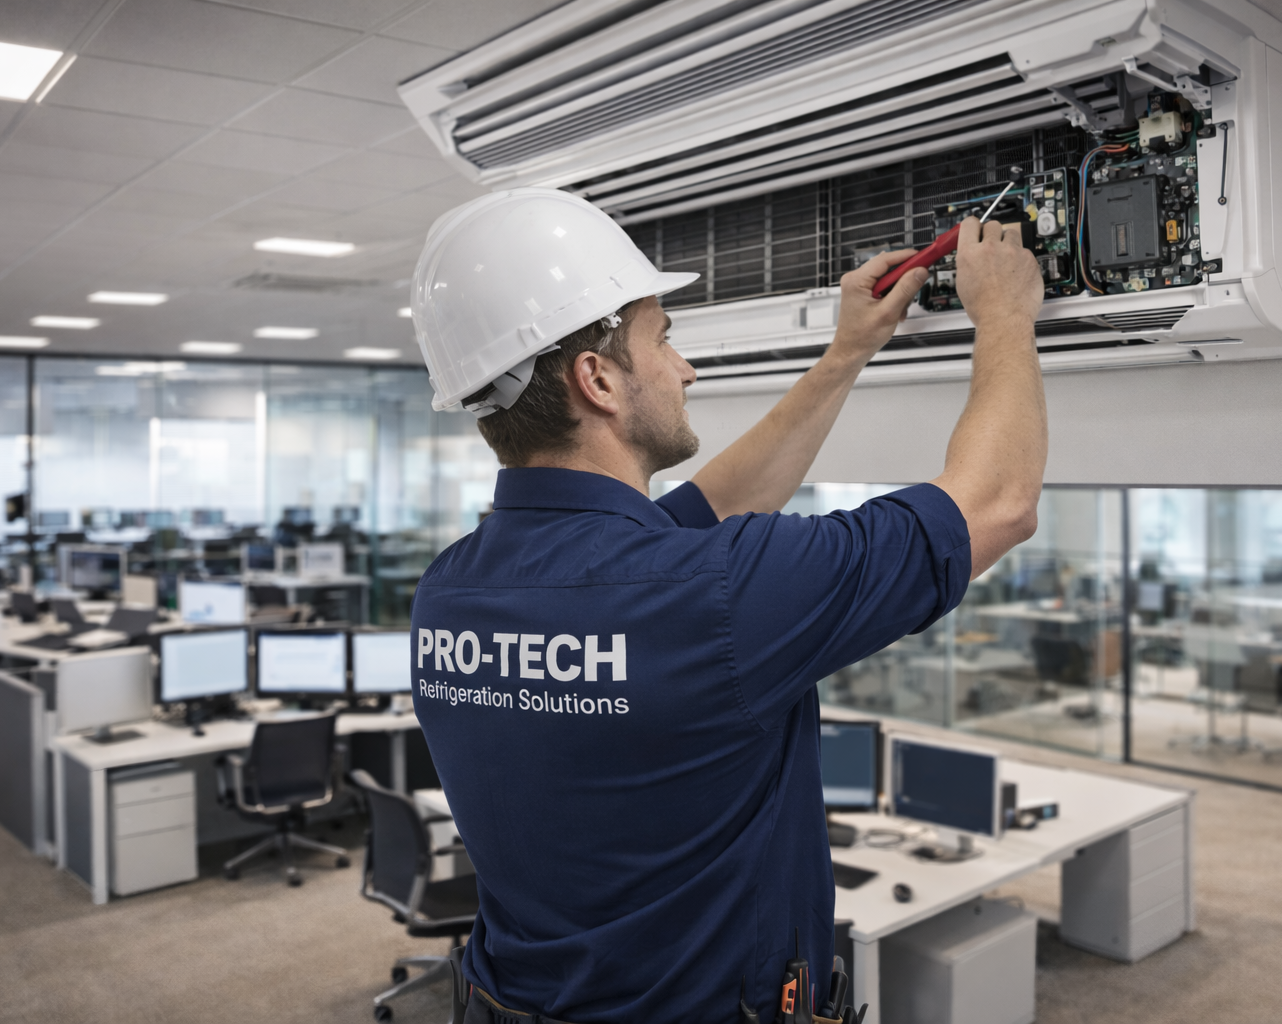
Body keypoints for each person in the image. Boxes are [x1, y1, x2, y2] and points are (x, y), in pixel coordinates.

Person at [408, 188, 1046, 1024]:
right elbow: (996, 502)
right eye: (663, 341)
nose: (685, 368)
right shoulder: (710, 593)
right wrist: (1004, 317)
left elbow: (709, 511)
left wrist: (847, 353)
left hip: (512, 1003)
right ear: (597, 379)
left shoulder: (453, 589)